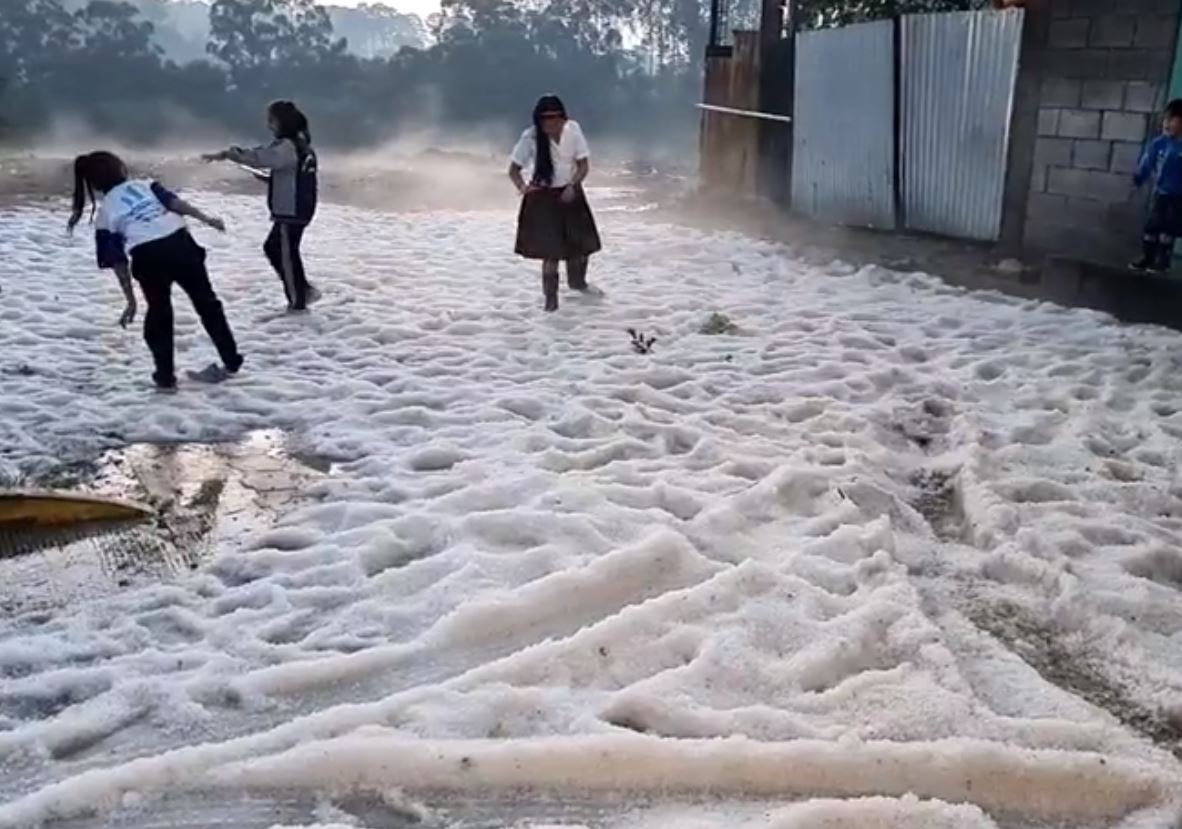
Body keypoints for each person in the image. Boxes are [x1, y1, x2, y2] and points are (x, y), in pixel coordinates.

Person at [67, 151, 243, 391]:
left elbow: (119, 262)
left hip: (148, 256)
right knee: (207, 304)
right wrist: (207, 219)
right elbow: (176, 204)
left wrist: (130, 301)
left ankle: (165, 378)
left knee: (159, 314)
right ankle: (231, 362)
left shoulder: (105, 214)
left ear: (95, 185)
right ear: (121, 169)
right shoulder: (145, 185)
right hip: (181, 243)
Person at [203, 100, 320, 311]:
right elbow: (293, 175)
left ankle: (297, 302)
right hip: (299, 208)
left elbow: (261, 158)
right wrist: (269, 180)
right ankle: (302, 290)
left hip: (291, 211)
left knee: (286, 254)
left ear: (283, 122)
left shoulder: (286, 147)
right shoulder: (302, 145)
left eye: (271, 121)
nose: (269, 126)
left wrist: (232, 154)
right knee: (275, 248)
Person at [509, 95, 602, 312]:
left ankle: (579, 284)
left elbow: (583, 165)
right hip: (543, 197)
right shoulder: (530, 137)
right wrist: (524, 189)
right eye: (545, 118)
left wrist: (573, 185)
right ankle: (551, 302)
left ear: (563, 117)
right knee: (551, 253)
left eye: (554, 117)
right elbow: (513, 170)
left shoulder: (573, 130)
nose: (550, 123)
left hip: (570, 192)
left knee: (582, 245)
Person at [1131, 99, 1182, 273]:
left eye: (1173, 120)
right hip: (1160, 193)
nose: (1167, 124)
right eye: (1165, 119)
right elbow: (1147, 163)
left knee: (1167, 230)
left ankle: (1162, 260)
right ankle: (1147, 256)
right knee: (1152, 226)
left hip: (1177, 196)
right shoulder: (1158, 144)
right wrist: (1139, 176)